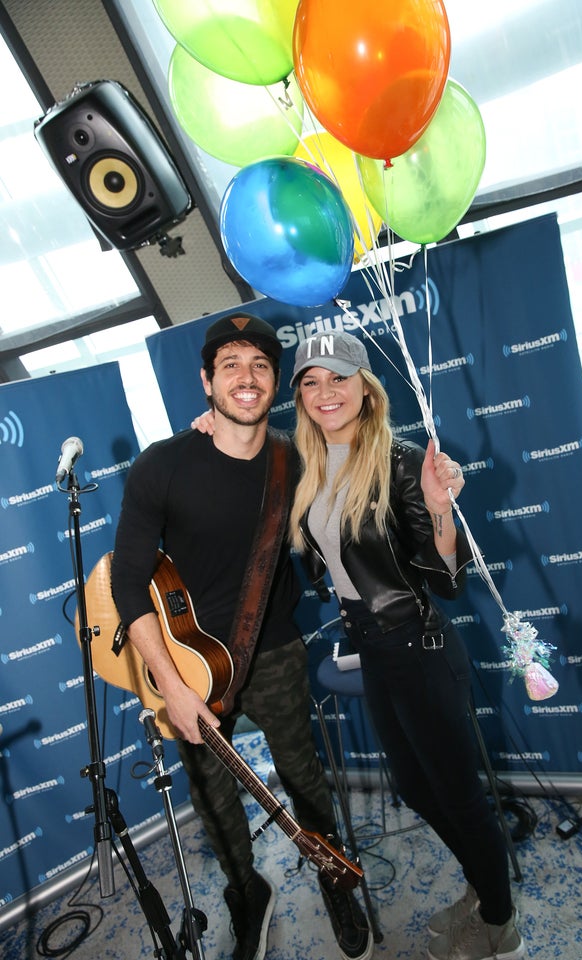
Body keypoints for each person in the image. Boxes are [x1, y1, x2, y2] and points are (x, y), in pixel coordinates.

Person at [110, 314, 373, 960]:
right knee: (213, 797)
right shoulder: (161, 467)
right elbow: (126, 585)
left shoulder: (295, 458)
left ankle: (331, 872)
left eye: (258, 365)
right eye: (229, 365)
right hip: (189, 667)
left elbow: (363, 460)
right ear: (206, 382)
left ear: (275, 381)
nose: (246, 378)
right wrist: (169, 687)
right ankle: (245, 890)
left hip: (275, 652)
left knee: (303, 777)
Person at [288, 331, 524, 960]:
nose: (325, 392)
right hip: (372, 647)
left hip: (417, 645)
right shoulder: (307, 468)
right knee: (418, 790)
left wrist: (442, 509)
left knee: (458, 795)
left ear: (366, 388)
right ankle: (484, 885)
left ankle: (501, 925)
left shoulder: (399, 460)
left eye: (339, 377)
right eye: (311, 381)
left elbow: (446, 582)